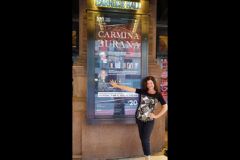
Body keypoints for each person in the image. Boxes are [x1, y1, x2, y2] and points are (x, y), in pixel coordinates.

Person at [109, 76, 168, 160]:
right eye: (148, 83)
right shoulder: (143, 91)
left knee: (145, 139)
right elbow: (129, 89)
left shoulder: (158, 95)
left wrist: (156, 116)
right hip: (139, 118)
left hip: (149, 120)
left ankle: (147, 158)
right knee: (143, 139)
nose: (149, 85)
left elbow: (165, 107)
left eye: (151, 83)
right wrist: (117, 85)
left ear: (154, 83)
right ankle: (146, 156)